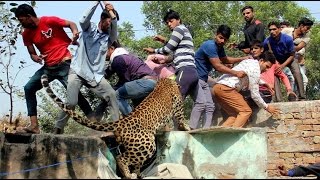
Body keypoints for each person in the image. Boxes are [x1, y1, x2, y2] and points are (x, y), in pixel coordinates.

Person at [14, 3, 94, 134]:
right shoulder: (26, 34)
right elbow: (32, 53)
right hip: (48, 68)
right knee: (28, 88)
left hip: (64, 64)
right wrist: (36, 58)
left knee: (75, 96)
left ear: (29, 16)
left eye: (21, 19)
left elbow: (71, 23)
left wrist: (75, 33)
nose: (20, 22)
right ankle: (34, 126)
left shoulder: (48, 20)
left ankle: (94, 122)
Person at [53, 1, 121, 134]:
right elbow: (83, 19)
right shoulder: (88, 28)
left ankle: (117, 128)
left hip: (95, 76)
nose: (110, 25)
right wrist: (97, 2)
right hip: (77, 71)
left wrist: (112, 12)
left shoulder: (110, 37)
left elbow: (114, 25)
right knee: (71, 102)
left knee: (112, 95)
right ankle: (58, 128)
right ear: (102, 19)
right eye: (108, 22)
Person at [191, 25, 249, 130]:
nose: (222, 41)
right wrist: (236, 73)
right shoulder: (210, 46)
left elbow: (226, 60)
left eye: (225, 40)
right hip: (196, 77)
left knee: (210, 106)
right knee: (201, 103)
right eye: (220, 37)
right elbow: (218, 66)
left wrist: (243, 58)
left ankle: (206, 129)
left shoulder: (219, 47)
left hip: (203, 79)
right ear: (216, 35)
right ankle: (191, 128)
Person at [143, 9, 198, 101]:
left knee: (173, 99)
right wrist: (164, 41)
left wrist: (154, 50)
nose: (169, 24)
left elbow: (168, 49)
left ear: (178, 20)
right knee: (200, 103)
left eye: (171, 21)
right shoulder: (184, 30)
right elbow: (175, 49)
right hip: (192, 71)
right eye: (167, 22)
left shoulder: (178, 29)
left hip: (185, 70)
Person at [213, 51, 279, 128]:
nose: (266, 70)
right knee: (246, 111)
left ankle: (220, 136)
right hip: (227, 89)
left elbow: (252, 77)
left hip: (217, 88)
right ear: (261, 61)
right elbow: (255, 95)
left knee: (234, 115)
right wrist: (267, 107)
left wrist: (265, 84)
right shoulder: (255, 69)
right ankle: (233, 136)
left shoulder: (250, 62)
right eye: (267, 66)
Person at [104, 40, 158, 116]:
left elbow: (125, 80)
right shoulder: (124, 56)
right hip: (151, 82)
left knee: (116, 96)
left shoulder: (117, 59)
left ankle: (133, 123)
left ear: (111, 48)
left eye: (103, 51)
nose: (102, 55)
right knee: (141, 111)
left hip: (145, 82)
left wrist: (112, 88)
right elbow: (108, 73)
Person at [263, 21, 306, 101]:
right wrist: (275, 64)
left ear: (279, 29)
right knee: (274, 74)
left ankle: (301, 97)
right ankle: (278, 100)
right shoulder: (267, 41)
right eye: (270, 30)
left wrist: (282, 65)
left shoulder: (288, 39)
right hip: (277, 60)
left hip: (289, 58)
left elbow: (292, 55)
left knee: (297, 72)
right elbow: (266, 55)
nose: (272, 31)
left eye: (274, 29)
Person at [281, 17, 314, 93]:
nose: (308, 30)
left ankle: (299, 98)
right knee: (292, 78)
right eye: (307, 28)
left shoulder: (306, 36)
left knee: (303, 80)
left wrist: (285, 46)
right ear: (301, 26)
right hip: (280, 59)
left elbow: (298, 48)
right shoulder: (286, 31)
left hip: (293, 59)